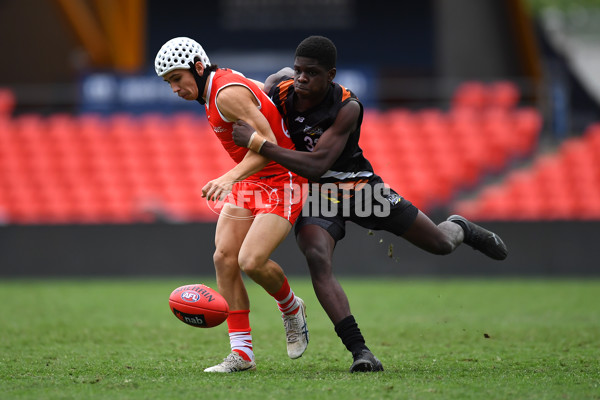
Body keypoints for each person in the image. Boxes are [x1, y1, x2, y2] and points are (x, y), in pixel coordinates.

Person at [232, 35, 508, 373]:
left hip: (360, 189)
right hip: (316, 196)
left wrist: (259, 143)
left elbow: (318, 164)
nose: (302, 79)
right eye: (299, 70)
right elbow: (258, 88)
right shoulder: (281, 87)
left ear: (331, 75)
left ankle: (460, 227)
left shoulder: (348, 107)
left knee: (439, 243)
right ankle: (361, 352)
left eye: (312, 73)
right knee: (317, 257)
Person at [154, 37, 309, 373]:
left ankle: (291, 307)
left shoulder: (225, 93)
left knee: (251, 261)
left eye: (177, 79)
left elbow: (267, 142)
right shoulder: (217, 88)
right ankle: (242, 354)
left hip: (283, 180)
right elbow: (262, 93)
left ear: (197, 67)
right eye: (169, 83)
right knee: (224, 258)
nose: (175, 89)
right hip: (252, 181)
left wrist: (227, 178)